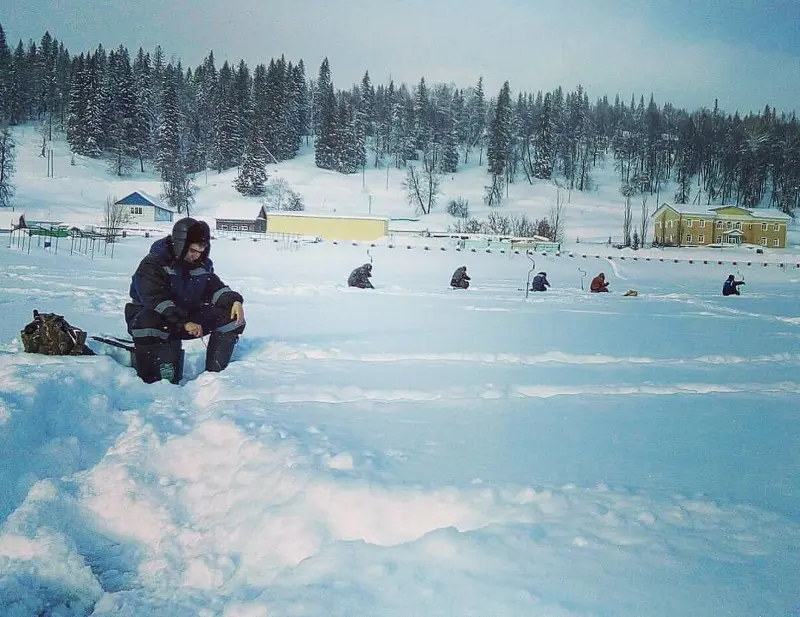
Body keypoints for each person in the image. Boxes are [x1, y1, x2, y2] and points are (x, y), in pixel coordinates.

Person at [125, 217, 246, 384]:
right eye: (192, 251)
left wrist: (234, 301)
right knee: (148, 319)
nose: (196, 256)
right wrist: (184, 323)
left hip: (185, 317)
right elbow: (156, 300)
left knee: (232, 317)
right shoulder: (153, 264)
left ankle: (216, 377)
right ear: (180, 244)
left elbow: (215, 288)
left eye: (200, 251)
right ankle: (152, 381)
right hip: (154, 318)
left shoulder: (201, 265)